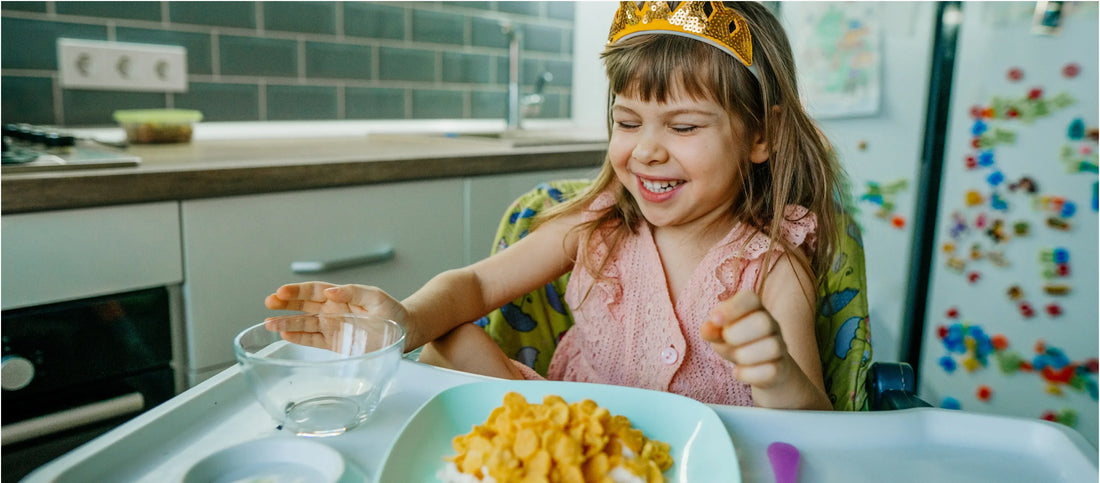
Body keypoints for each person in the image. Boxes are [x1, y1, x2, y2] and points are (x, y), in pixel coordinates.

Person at [264, 1, 847, 411]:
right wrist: (404, 322)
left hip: (700, 462)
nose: (645, 149)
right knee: (448, 335)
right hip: (562, 436)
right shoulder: (595, 226)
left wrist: (776, 377)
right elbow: (471, 286)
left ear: (759, 136)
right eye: (626, 121)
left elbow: (811, 429)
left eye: (684, 125)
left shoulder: (772, 267)